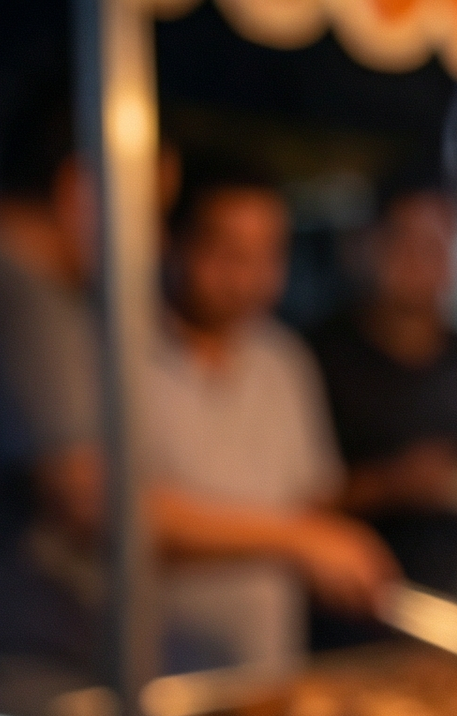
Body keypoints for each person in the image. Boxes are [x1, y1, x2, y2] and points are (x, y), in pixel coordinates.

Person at [0, 86, 392, 716]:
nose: (151, 244)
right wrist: (297, 537)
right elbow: (93, 502)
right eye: (148, 211)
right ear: (81, 187)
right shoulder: (21, 295)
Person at [147, 160, 350, 673]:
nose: (248, 278)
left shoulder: (284, 360)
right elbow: (124, 518)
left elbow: (312, 497)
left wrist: (331, 552)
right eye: (228, 254)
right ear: (173, 243)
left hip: (264, 671)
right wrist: (297, 540)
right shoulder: (116, 354)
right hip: (149, 676)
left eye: (266, 257)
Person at [312, 182, 457, 596]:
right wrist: (392, 484)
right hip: (351, 597)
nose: (423, 261)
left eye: (439, 246)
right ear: (369, 246)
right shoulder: (319, 356)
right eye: (408, 243)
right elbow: (294, 501)